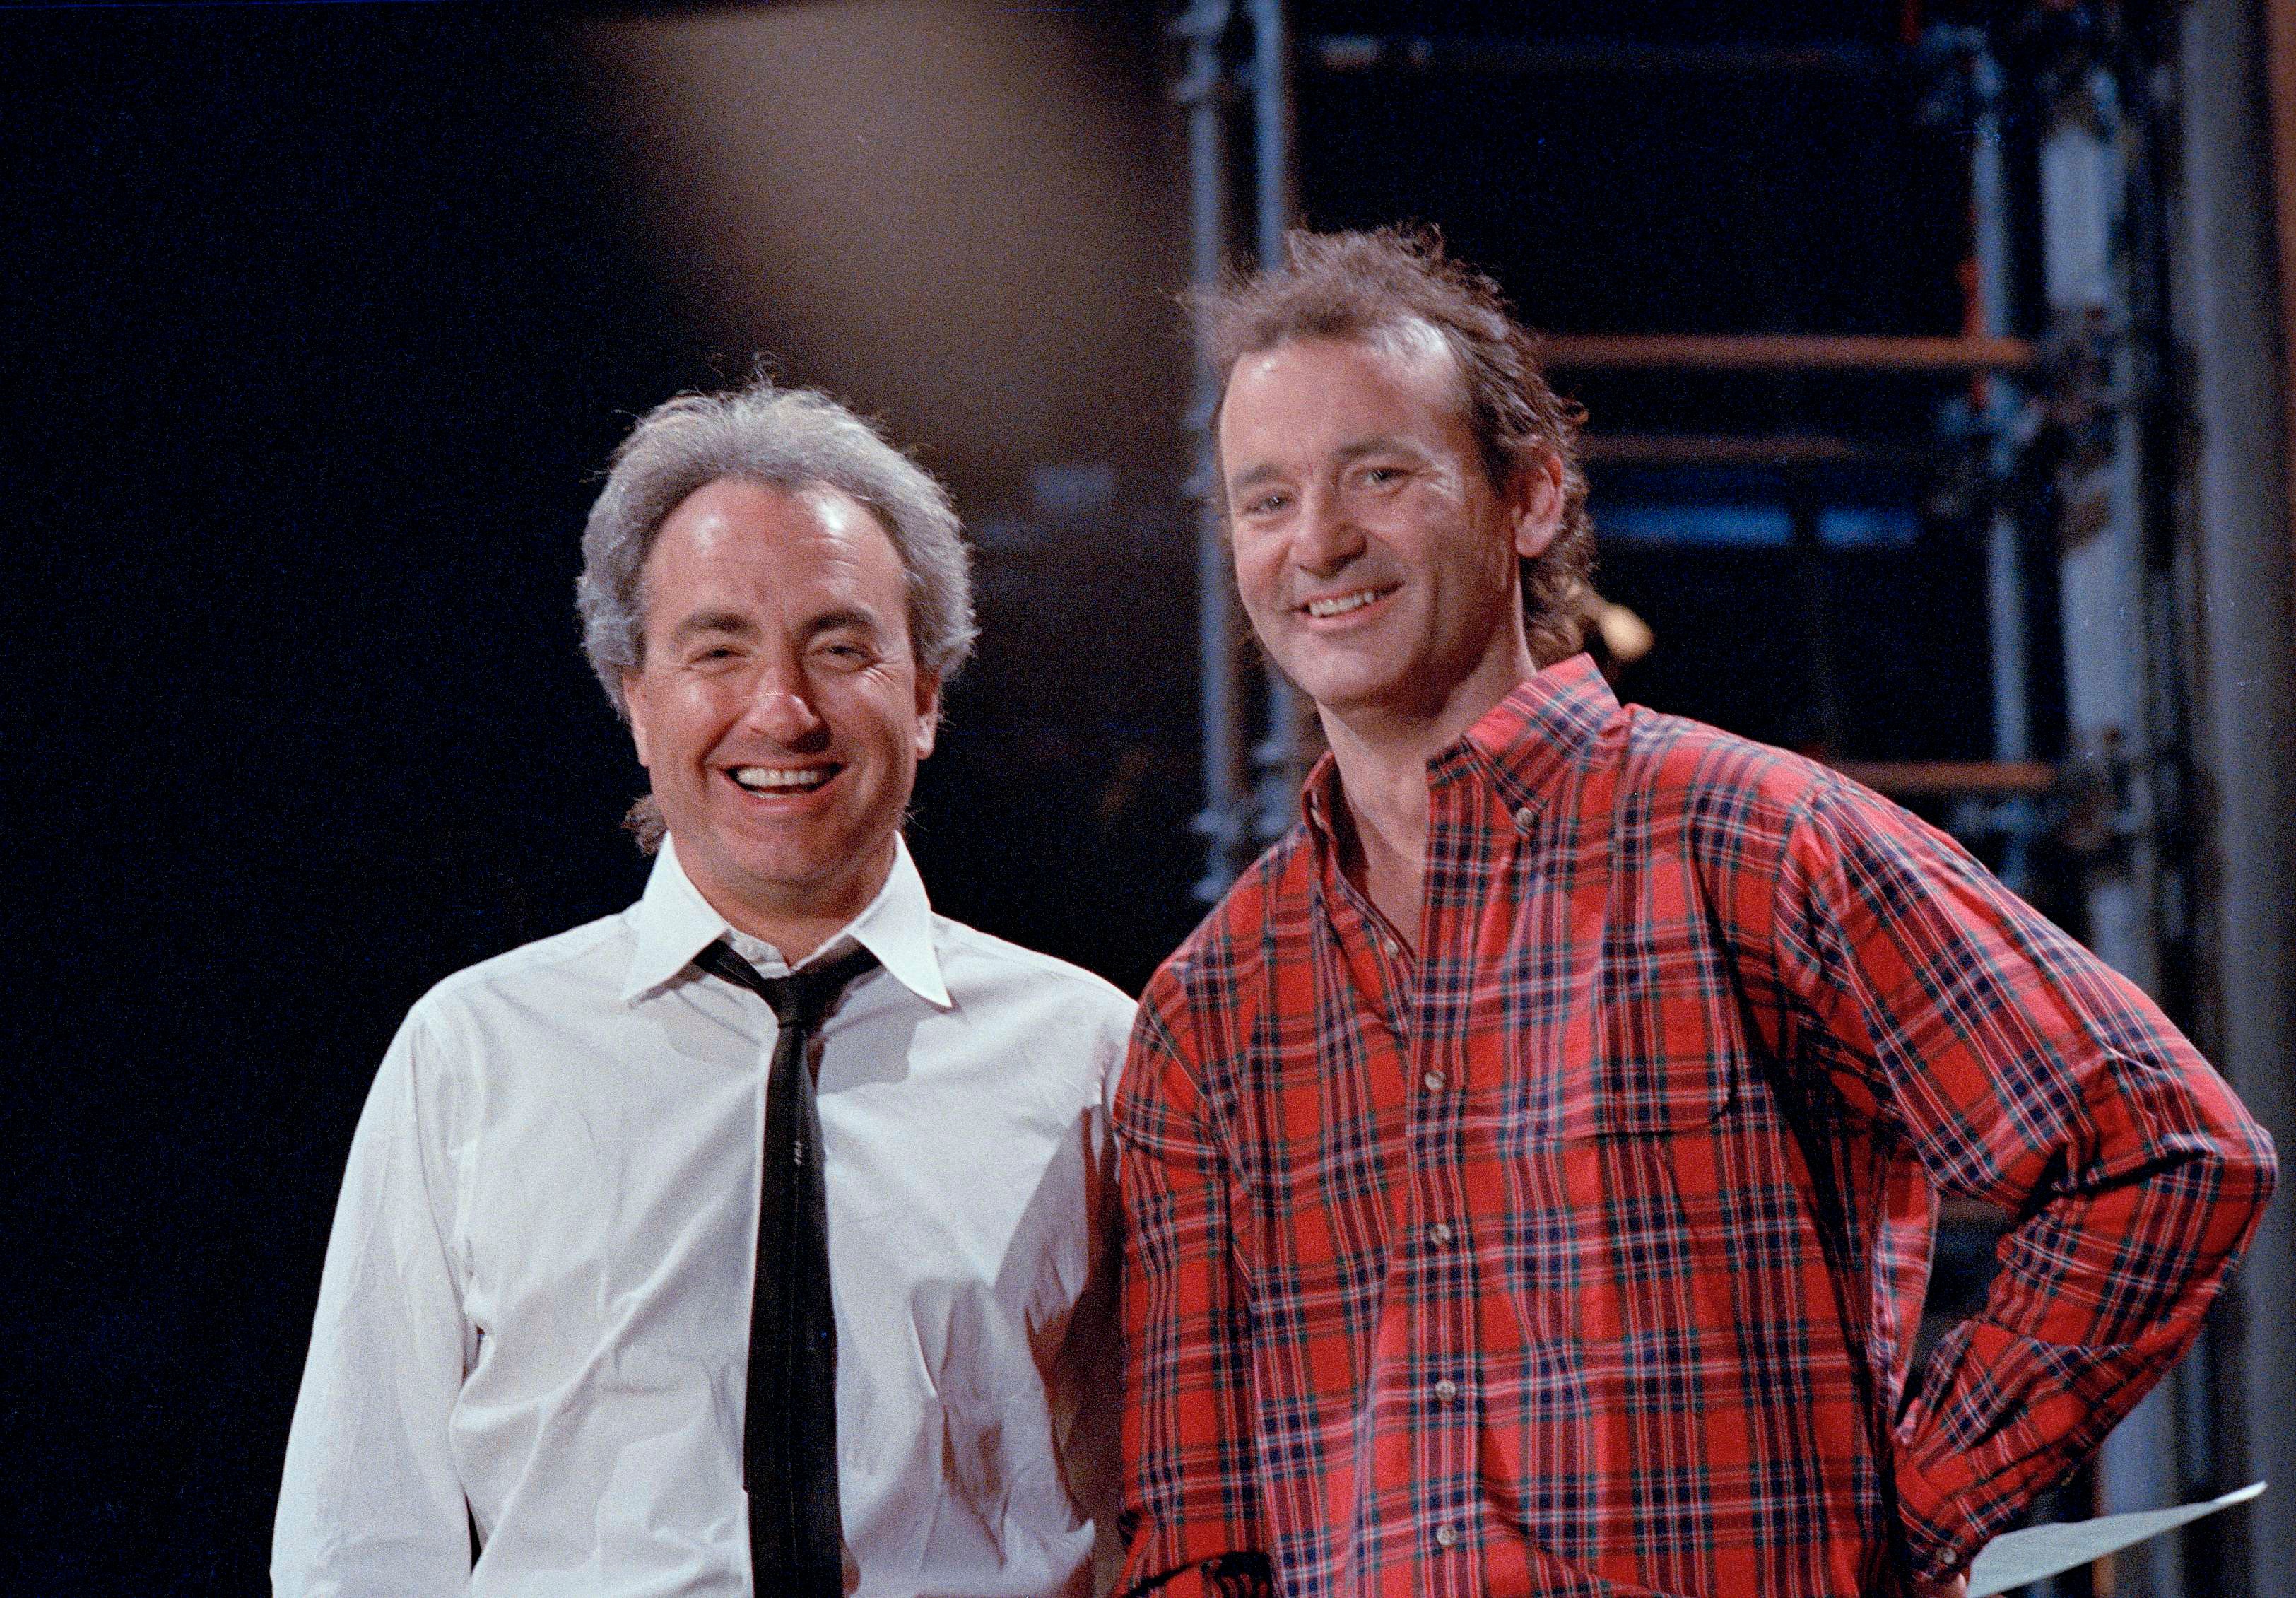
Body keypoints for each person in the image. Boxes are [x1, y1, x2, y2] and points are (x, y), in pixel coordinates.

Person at [1112, 228, 2277, 1598]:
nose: (1317, 541)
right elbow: (1194, 1533)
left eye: (1380, 475)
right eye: (1265, 500)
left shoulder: (1745, 840)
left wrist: (1906, 1514)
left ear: (1530, 496)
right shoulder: (1210, 1002)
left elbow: (2163, 1149)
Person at [275, 380, 1135, 1597]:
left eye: (841, 648)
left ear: (928, 693)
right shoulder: (470, 1054)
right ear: (633, 695)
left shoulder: (1091, 1054)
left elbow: (1156, 1506)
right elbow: (360, 1538)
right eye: (716, 648)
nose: (779, 710)